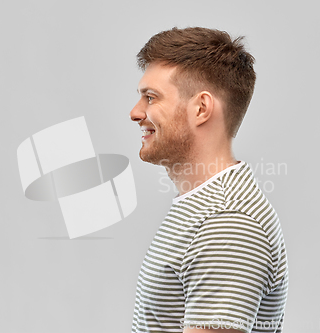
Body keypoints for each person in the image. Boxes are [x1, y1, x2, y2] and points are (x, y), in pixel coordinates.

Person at [129, 27, 288, 333]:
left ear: (201, 108)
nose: (136, 113)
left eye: (151, 98)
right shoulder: (205, 206)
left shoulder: (227, 222)